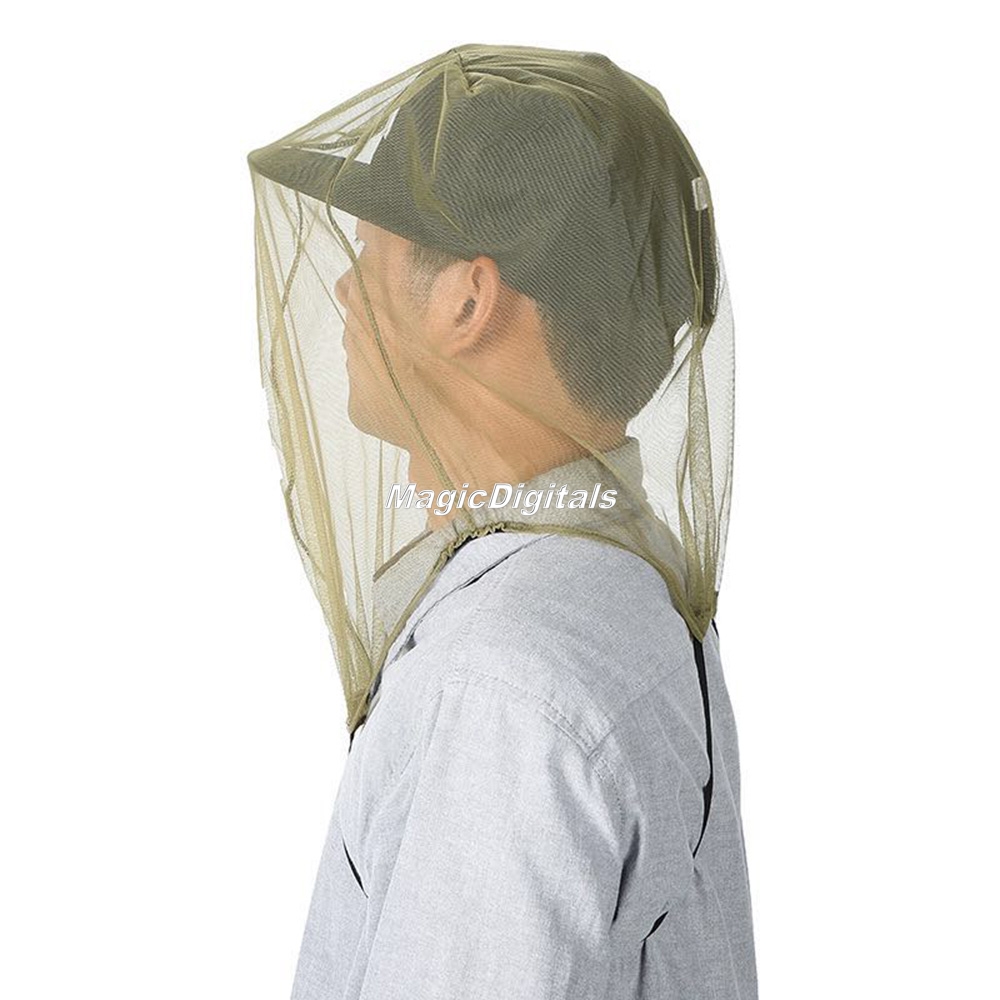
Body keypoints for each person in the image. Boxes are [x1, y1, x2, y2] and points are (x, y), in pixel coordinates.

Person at [248, 43, 757, 999]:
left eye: (370, 254)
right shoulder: (618, 584)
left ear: (468, 299)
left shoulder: (502, 687)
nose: (346, 290)